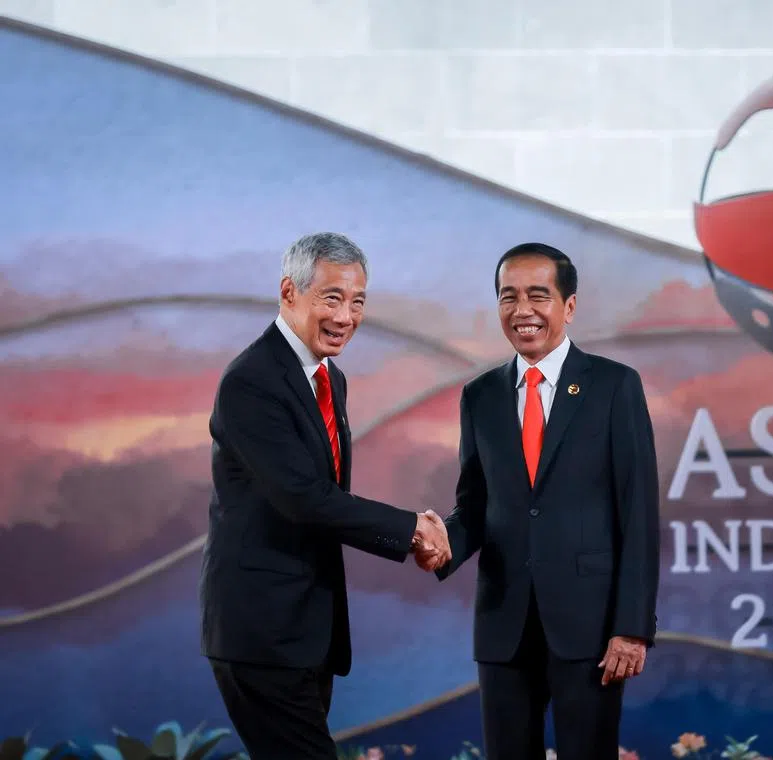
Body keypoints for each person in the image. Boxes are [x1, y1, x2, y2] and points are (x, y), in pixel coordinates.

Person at [199, 232, 451, 759]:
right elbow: (305, 498)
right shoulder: (253, 381)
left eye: (358, 301)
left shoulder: (327, 377)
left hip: (307, 630)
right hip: (262, 633)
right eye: (332, 298)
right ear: (290, 292)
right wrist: (411, 530)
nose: (346, 316)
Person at [432, 242, 661, 760]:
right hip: (503, 624)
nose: (522, 311)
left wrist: (632, 627)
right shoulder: (480, 395)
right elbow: (474, 505)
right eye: (508, 297)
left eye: (539, 295)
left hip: (591, 627)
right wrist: (441, 543)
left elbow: (639, 513)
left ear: (569, 306)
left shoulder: (613, 387)